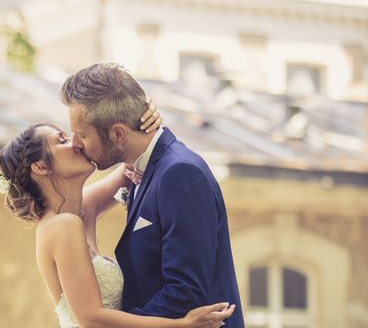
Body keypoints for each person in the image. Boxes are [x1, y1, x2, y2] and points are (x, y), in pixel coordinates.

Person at [0, 116, 235, 327]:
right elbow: (92, 319)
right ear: (40, 166)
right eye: (62, 141)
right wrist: (181, 325)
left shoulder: (79, 210)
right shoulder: (62, 226)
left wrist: (144, 115)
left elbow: (135, 154)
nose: (76, 143)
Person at [60, 63, 244, 326]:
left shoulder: (180, 174)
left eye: (81, 135)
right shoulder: (141, 169)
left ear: (118, 133)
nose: (75, 144)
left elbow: (186, 293)